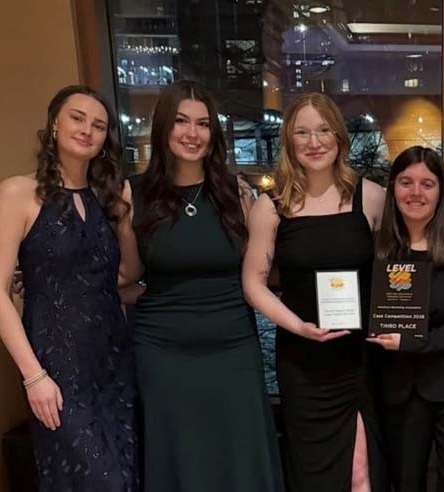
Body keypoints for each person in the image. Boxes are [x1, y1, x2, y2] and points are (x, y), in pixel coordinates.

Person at [119, 80, 283, 491]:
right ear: (163, 127)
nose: (192, 133)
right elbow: (127, 273)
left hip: (233, 348)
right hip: (163, 353)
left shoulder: (237, 192)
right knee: (179, 458)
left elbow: (262, 272)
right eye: (181, 121)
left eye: (203, 124)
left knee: (240, 455)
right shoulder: (133, 193)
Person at [0, 85, 137, 491]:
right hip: (57, 366)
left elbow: (126, 274)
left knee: (125, 477)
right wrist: (33, 376)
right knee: (99, 481)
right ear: (54, 124)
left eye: (98, 125)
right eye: (77, 118)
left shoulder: (107, 197)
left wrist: (125, 217)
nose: (87, 130)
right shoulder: (17, 193)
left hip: (113, 360)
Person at [242, 92, 387, 491]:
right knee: (312, 477)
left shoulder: (371, 198)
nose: (314, 141)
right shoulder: (271, 206)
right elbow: (253, 283)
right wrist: (298, 326)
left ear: (339, 136)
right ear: (289, 141)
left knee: (361, 474)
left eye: (323, 130)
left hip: (358, 360)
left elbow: (390, 275)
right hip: (302, 362)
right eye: (302, 132)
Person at [366, 146, 444, 492]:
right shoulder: (377, 250)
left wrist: (414, 342)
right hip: (399, 388)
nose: (416, 192)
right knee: (405, 483)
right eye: (406, 182)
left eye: (427, 184)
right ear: (393, 188)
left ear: (440, 191)